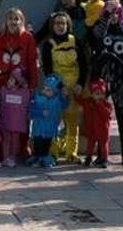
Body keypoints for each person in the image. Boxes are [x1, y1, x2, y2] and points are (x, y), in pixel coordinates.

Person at [90, 0, 123, 166]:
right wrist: (105, 15)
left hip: (120, 78)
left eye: (117, 13)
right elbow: (97, 34)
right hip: (103, 79)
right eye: (111, 13)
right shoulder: (101, 29)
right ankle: (101, 154)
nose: (114, 16)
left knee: (122, 118)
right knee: (99, 118)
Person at [40, 11, 87, 164]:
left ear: (68, 25)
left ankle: (71, 153)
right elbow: (47, 69)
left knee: (72, 122)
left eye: (63, 23)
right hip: (56, 88)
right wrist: (60, 87)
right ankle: (53, 153)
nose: (60, 26)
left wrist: (80, 83)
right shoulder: (48, 44)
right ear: (52, 26)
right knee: (53, 122)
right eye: (57, 23)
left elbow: (84, 65)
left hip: (74, 87)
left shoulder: (76, 42)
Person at [0, 7, 38, 91]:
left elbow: (32, 62)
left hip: (22, 82)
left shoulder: (28, 38)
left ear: (21, 21)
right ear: (6, 21)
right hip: (2, 82)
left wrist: (32, 85)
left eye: (16, 19)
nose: (13, 22)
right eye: (10, 19)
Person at [27, 75, 69, 168]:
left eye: (48, 90)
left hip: (49, 128)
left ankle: (44, 158)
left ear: (55, 92)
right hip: (38, 127)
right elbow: (31, 111)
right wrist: (41, 113)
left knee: (46, 144)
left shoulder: (57, 101)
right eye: (44, 89)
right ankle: (37, 157)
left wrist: (65, 96)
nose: (45, 91)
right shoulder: (37, 98)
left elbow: (64, 105)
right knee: (38, 143)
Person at [0, 68, 30, 168]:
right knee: (6, 139)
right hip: (6, 120)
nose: (8, 81)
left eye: (12, 80)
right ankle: (5, 157)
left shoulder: (24, 92)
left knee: (15, 140)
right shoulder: (3, 91)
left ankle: (12, 157)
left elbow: (26, 104)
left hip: (17, 123)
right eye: (9, 79)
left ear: (18, 82)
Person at [76, 78, 113, 168]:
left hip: (103, 129)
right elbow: (80, 101)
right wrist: (76, 94)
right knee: (90, 145)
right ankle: (88, 158)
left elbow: (107, 114)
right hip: (92, 129)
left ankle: (104, 159)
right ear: (92, 94)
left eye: (101, 94)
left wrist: (99, 104)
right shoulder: (88, 102)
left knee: (103, 145)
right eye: (96, 94)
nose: (99, 96)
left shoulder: (106, 104)